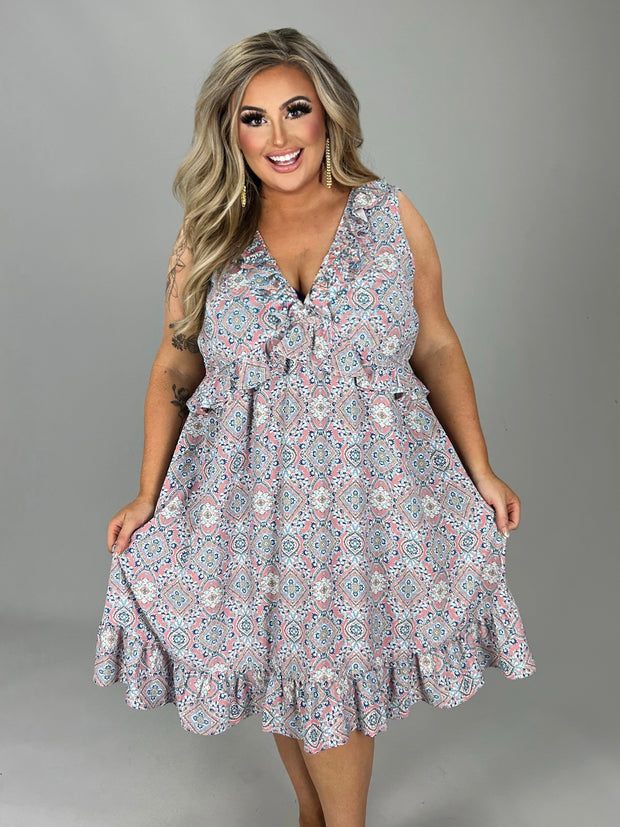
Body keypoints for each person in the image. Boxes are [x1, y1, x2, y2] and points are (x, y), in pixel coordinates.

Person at [93, 27, 535, 827]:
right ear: (230, 131)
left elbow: (435, 343)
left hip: (366, 493)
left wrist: (482, 468)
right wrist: (147, 493)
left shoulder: (388, 215)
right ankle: (311, 813)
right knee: (282, 667)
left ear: (329, 113)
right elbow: (174, 367)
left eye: (295, 109)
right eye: (253, 117)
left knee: (329, 670)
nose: (279, 135)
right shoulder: (208, 233)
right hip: (247, 496)